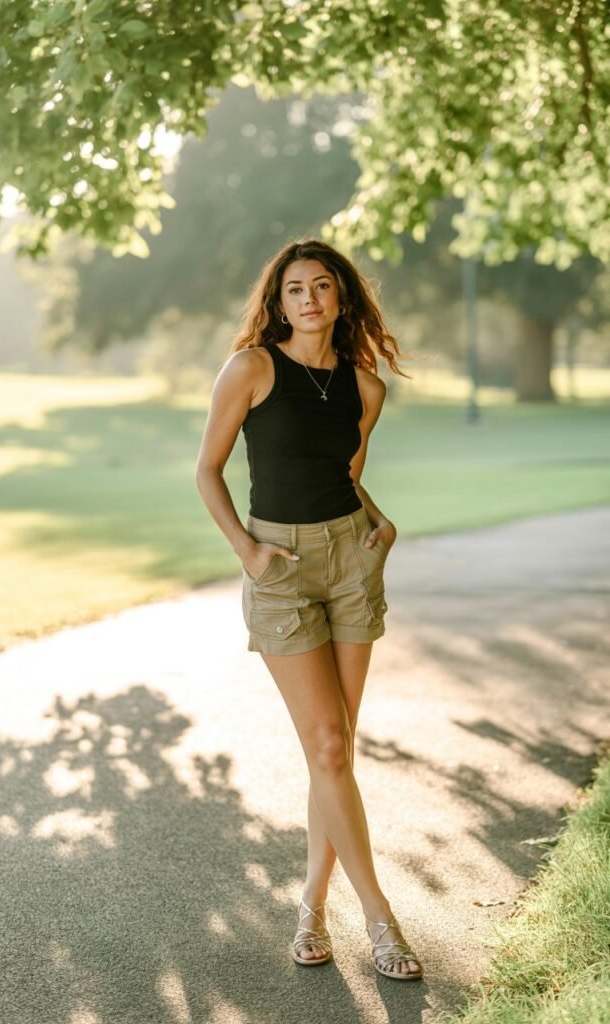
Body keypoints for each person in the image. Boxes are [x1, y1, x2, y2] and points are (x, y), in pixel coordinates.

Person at [195, 238, 423, 980]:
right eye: (295, 288)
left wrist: (379, 521)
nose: (309, 299)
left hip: (352, 560)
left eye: (322, 286)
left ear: (341, 298)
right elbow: (208, 470)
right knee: (328, 746)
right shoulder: (253, 368)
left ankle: (311, 904)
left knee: (337, 752)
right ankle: (380, 920)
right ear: (278, 301)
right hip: (282, 568)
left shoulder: (367, 387)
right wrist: (248, 552)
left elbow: (344, 474)